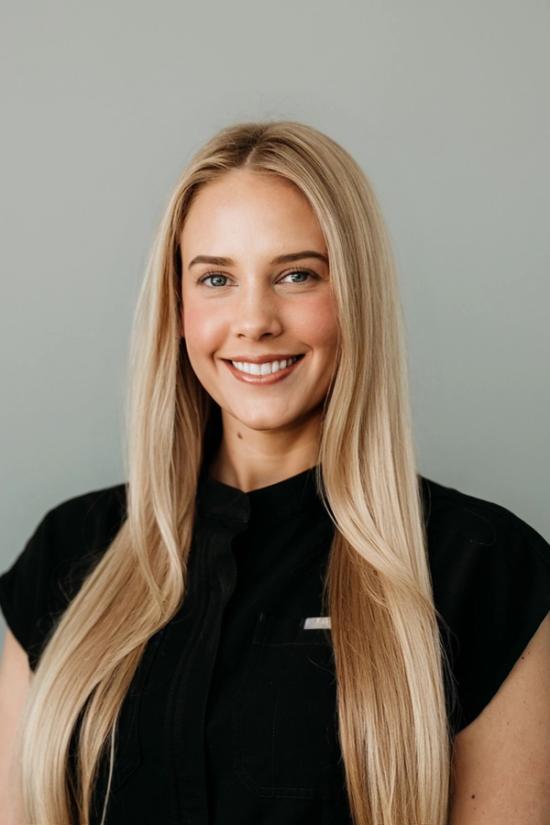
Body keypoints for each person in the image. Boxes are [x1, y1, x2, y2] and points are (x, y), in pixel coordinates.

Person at [0, 120, 549, 825]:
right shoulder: (68, 552)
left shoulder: (485, 570)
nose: (253, 319)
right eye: (217, 278)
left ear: (355, 293)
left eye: (297, 274)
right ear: (179, 306)